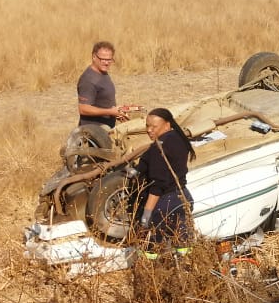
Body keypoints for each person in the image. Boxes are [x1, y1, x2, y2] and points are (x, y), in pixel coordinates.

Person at [134, 107, 196, 245]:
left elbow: (158, 185)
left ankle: (152, 260)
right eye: (147, 126)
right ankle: (184, 259)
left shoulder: (159, 147)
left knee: (152, 248)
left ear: (167, 125)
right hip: (183, 198)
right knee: (182, 243)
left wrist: (147, 214)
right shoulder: (179, 138)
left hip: (165, 204)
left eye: (154, 127)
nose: (149, 130)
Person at [76, 40, 141, 129]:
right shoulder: (88, 80)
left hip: (106, 127)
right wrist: (110, 112)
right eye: (103, 59)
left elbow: (103, 102)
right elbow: (83, 109)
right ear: (94, 57)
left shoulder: (102, 72)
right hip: (93, 131)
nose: (106, 63)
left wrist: (120, 110)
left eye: (109, 60)